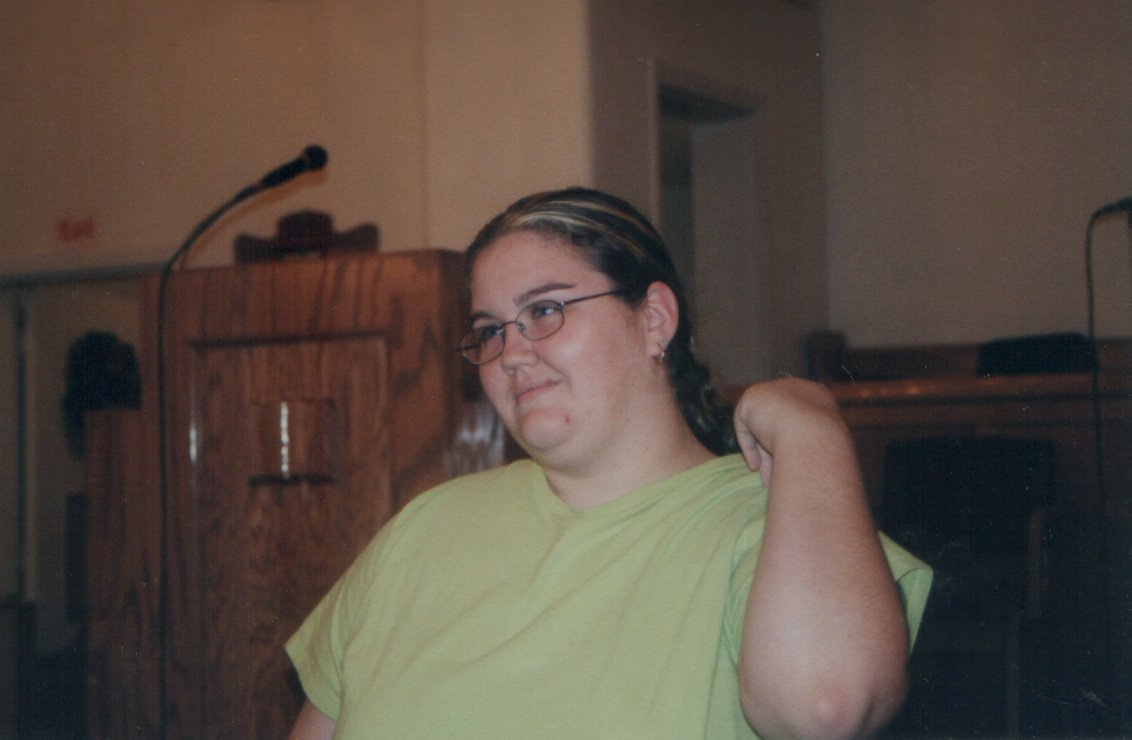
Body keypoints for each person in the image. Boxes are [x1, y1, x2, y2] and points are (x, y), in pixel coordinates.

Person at [286, 187, 931, 739]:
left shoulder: (773, 532)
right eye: (490, 331)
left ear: (654, 319)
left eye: (544, 311)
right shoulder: (424, 527)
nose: (511, 354)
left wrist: (812, 427)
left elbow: (825, 707)